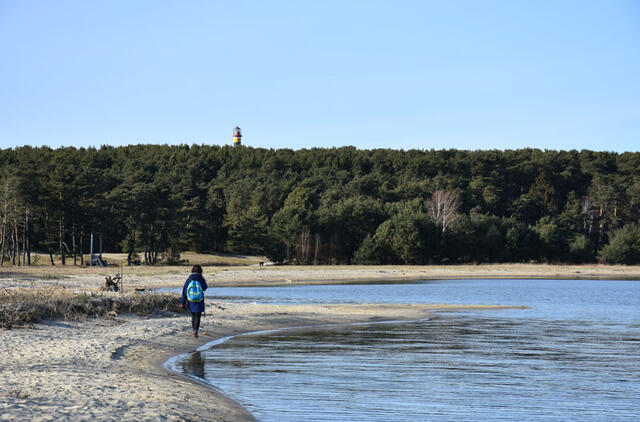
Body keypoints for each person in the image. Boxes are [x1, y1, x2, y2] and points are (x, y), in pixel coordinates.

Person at [180, 265, 208, 338]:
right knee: (198, 316)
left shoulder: (189, 279)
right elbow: (205, 288)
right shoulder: (201, 278)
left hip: (190, 300)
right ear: (200, 271)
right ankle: (196, 330)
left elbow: (184, 291)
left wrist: (182, 303)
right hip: (199, 300)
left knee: (193, 316)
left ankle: (193, 331)